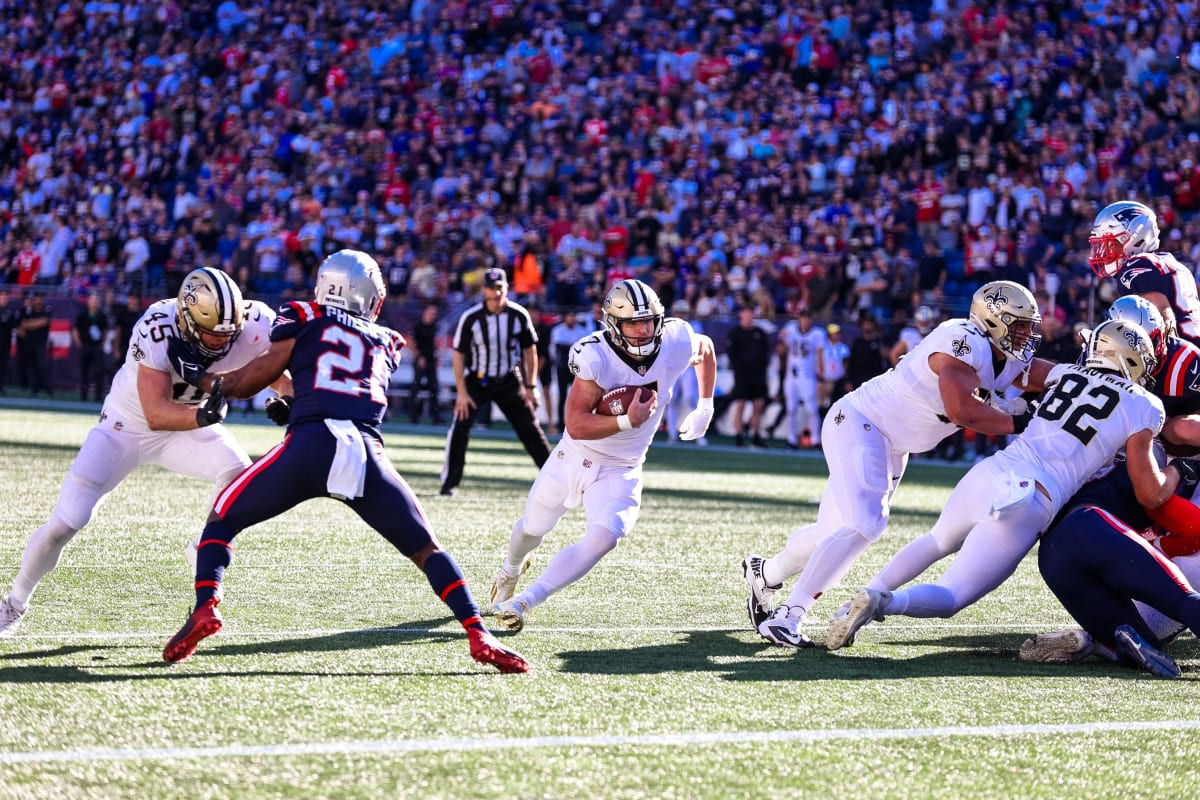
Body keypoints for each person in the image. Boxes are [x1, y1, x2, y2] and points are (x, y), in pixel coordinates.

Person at [160, 250, 529, 674]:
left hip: (312, 443)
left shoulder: (305, 315)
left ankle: (206, 606)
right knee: (427, 549)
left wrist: (204, 379)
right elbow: (343, 386)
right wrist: (296, 399)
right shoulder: (385, 340)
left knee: (223, 518)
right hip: (366, 453)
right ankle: (477, 633)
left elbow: (249, 381)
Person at [743, 280, 1059, 648]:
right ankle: (789, 615)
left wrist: (1086, 377)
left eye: (1027, 326)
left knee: (834, 534)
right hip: (863, 424)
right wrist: (1021, 420)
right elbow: (961, 409)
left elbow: (1047, 374)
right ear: (992, 319)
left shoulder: (1005, 358)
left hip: (889, 442)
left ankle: (765, 573)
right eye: (1018, 324)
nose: (1025, 334)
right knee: (866, 523)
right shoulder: (963, 340)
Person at [826, 320, 1174, 652]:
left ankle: (863, 595)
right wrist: (1176, 472)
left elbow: (1021, 371)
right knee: (951, 596)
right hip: (1030, 498)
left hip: (991, 471)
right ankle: (883, 602)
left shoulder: (1067, 373)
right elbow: (1149, 491)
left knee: (935, 541)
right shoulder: (1144, 405)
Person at [0, 268, 283, 637]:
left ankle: (204, 546)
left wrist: (289, 398)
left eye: (226, 334)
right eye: (211, 332)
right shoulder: (158, 324)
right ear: (187, 317)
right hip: (126, 427)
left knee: (239, 477)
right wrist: (203, 415)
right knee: (67, 522)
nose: (219, 342)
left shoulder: (255, 321)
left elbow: (275, 370)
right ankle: (14, 603)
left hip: (188, 428)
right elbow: (155, 412)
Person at [489, 279, 716, 632]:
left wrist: (706, 404)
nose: (643, 330)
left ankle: (525, 600)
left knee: (605, 537)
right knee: (531, 529)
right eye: (632, 323)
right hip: (573, 457)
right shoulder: (594, 354)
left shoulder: (676, 339)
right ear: (613, 323)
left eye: (649, 320)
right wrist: (628, 420)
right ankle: (511, 569)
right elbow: (576, 424)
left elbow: (707, 350)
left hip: (622, 467)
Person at [1019, 455, 1200, 678]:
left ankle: (1094, 644)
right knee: (1183, 601)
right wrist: (1177, 470)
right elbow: (1178, 514)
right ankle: (1101, 643)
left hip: (1052, 559)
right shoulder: (1147, 476)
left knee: (1143, 643)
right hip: (1094, 528)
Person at [440, 267, 552, 496]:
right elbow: (458, 356)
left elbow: (530, 349)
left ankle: (555, 482)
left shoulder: (519, 315)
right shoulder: (471, 317)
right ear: (484, 290)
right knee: (460, 426)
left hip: (509, 379)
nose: (495, 293)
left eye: (499, 288)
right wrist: (462, 392)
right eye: (491, 288)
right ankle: (449, 483)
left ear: (506, 288)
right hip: (477, 379)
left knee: (530, 429)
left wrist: (531, 386)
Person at [1089, 200, 1200, 346]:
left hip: (1182, 358)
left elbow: (1162, 322)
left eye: (1110, 244)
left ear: (1135, 238)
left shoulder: (1135, 265)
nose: (1103, 252)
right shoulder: (1172, 263)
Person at [778, 308, 827, 450]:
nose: (805, 320)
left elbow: (820, 356)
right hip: (791, 377)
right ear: (799, 318)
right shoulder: (790, 329)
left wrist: (821, 377)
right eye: (803, 317)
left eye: (808, 318)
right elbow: (781, 350)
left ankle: (815, 439)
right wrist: (781, 339)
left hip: (808, 377)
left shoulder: (817, 334)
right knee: (791, 408)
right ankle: (791, 439)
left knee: (811, 409)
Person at [726, 305, 772, 448]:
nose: (748, 318)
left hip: (758, 375)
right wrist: (738, 371)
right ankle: (739, 435)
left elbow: (766, 353)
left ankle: (756, 435)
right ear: (741, 316)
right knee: (740, 404)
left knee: (758, 406)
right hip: (742, 375)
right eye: (746, 315)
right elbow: (732, 355)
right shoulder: (735, 334)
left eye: (750, 315)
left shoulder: (759, 333)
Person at [549, 307, 597, 437]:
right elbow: (559, 349)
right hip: (563, 367)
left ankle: (581, 424)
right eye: (569, 316)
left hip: (578, 369)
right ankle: (560, 425)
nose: (571, 318)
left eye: (573, 316)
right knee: (562, 396)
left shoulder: (582, 330)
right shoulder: (558, 330)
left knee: (581, 397)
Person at [407, 303, 442, 425]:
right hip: (420, 362)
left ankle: (436, 418)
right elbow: (410, 342)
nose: (433, 315)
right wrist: (418, 356)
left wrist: (437, 357)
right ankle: (413, 417)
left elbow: (435, 344)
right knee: (415, 389)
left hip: (431, 361)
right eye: (431, 312)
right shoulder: (418, 327)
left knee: (434, 389)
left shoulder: (434, 327)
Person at [72, 292, 111, 403]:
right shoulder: (83, 314)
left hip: (96, 347)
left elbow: (105, 330)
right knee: (84, 372)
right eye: (92, 301)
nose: (94, 303)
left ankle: (98, 396)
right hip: (85, 346)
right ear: (88, 302)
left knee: (98, 372)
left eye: (96, 301)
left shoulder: (101, 315)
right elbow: (75, 328)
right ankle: (83, 396)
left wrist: (102, 343)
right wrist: (78, 342)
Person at [17, 292, 51, 396]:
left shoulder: (46, 310)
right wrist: (35, 323)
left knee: (41, 365)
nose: (39, 301)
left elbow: (44, 321)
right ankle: (34, 389)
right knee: (32, 366)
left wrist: (31, 324)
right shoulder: (28, 311)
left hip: (41, 343)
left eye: (41, 298)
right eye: (37, 298)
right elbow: (23, 324)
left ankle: (48, 388)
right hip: (30, 343)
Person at [818, 323, 851, 417]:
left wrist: (846, 380)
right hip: (825, 381)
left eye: (838, 333)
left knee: (838, 407)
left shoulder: (844, 348)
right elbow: (819, 362)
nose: (837, 335)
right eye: (835, 333)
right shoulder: (822, 348)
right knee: (823, 407)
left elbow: (846, 365)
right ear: (829, 334)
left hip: (839, 381)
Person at [0, 288, 21, 394]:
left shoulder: (11, 310)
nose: (4, 298)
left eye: (6, 296)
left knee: (3, 364)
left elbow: (15, 324)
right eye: (2, 296)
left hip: (5, 342)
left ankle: (1, 386)